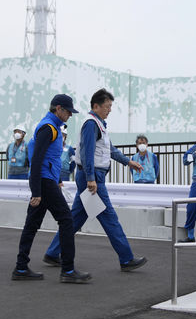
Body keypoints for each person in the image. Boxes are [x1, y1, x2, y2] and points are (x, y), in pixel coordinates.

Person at [44, 88, 148, 272]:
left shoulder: (99, 124)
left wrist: (128, 162)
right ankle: (126, 258)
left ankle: (52, 252)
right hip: (92, 178)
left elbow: (110, 150)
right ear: (96, 106)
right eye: (107, 106)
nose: (109, 110)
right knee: (109, 217)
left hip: (90, 177)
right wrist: (91, 178)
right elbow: (86, 153)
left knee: (75, 218)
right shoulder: (91, 124)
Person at [14, 94, 91, 283]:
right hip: (44, 182)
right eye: (68, 112)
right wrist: (37, 192)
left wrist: (54, 181)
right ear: (58, 109)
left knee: (31, 225)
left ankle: (21, 268)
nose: (70, 116)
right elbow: (37, 159)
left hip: (47, 181)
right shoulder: (48, 128)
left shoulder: (52, 127)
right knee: (66, 220)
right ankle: (68, 270)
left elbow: (48, 159)